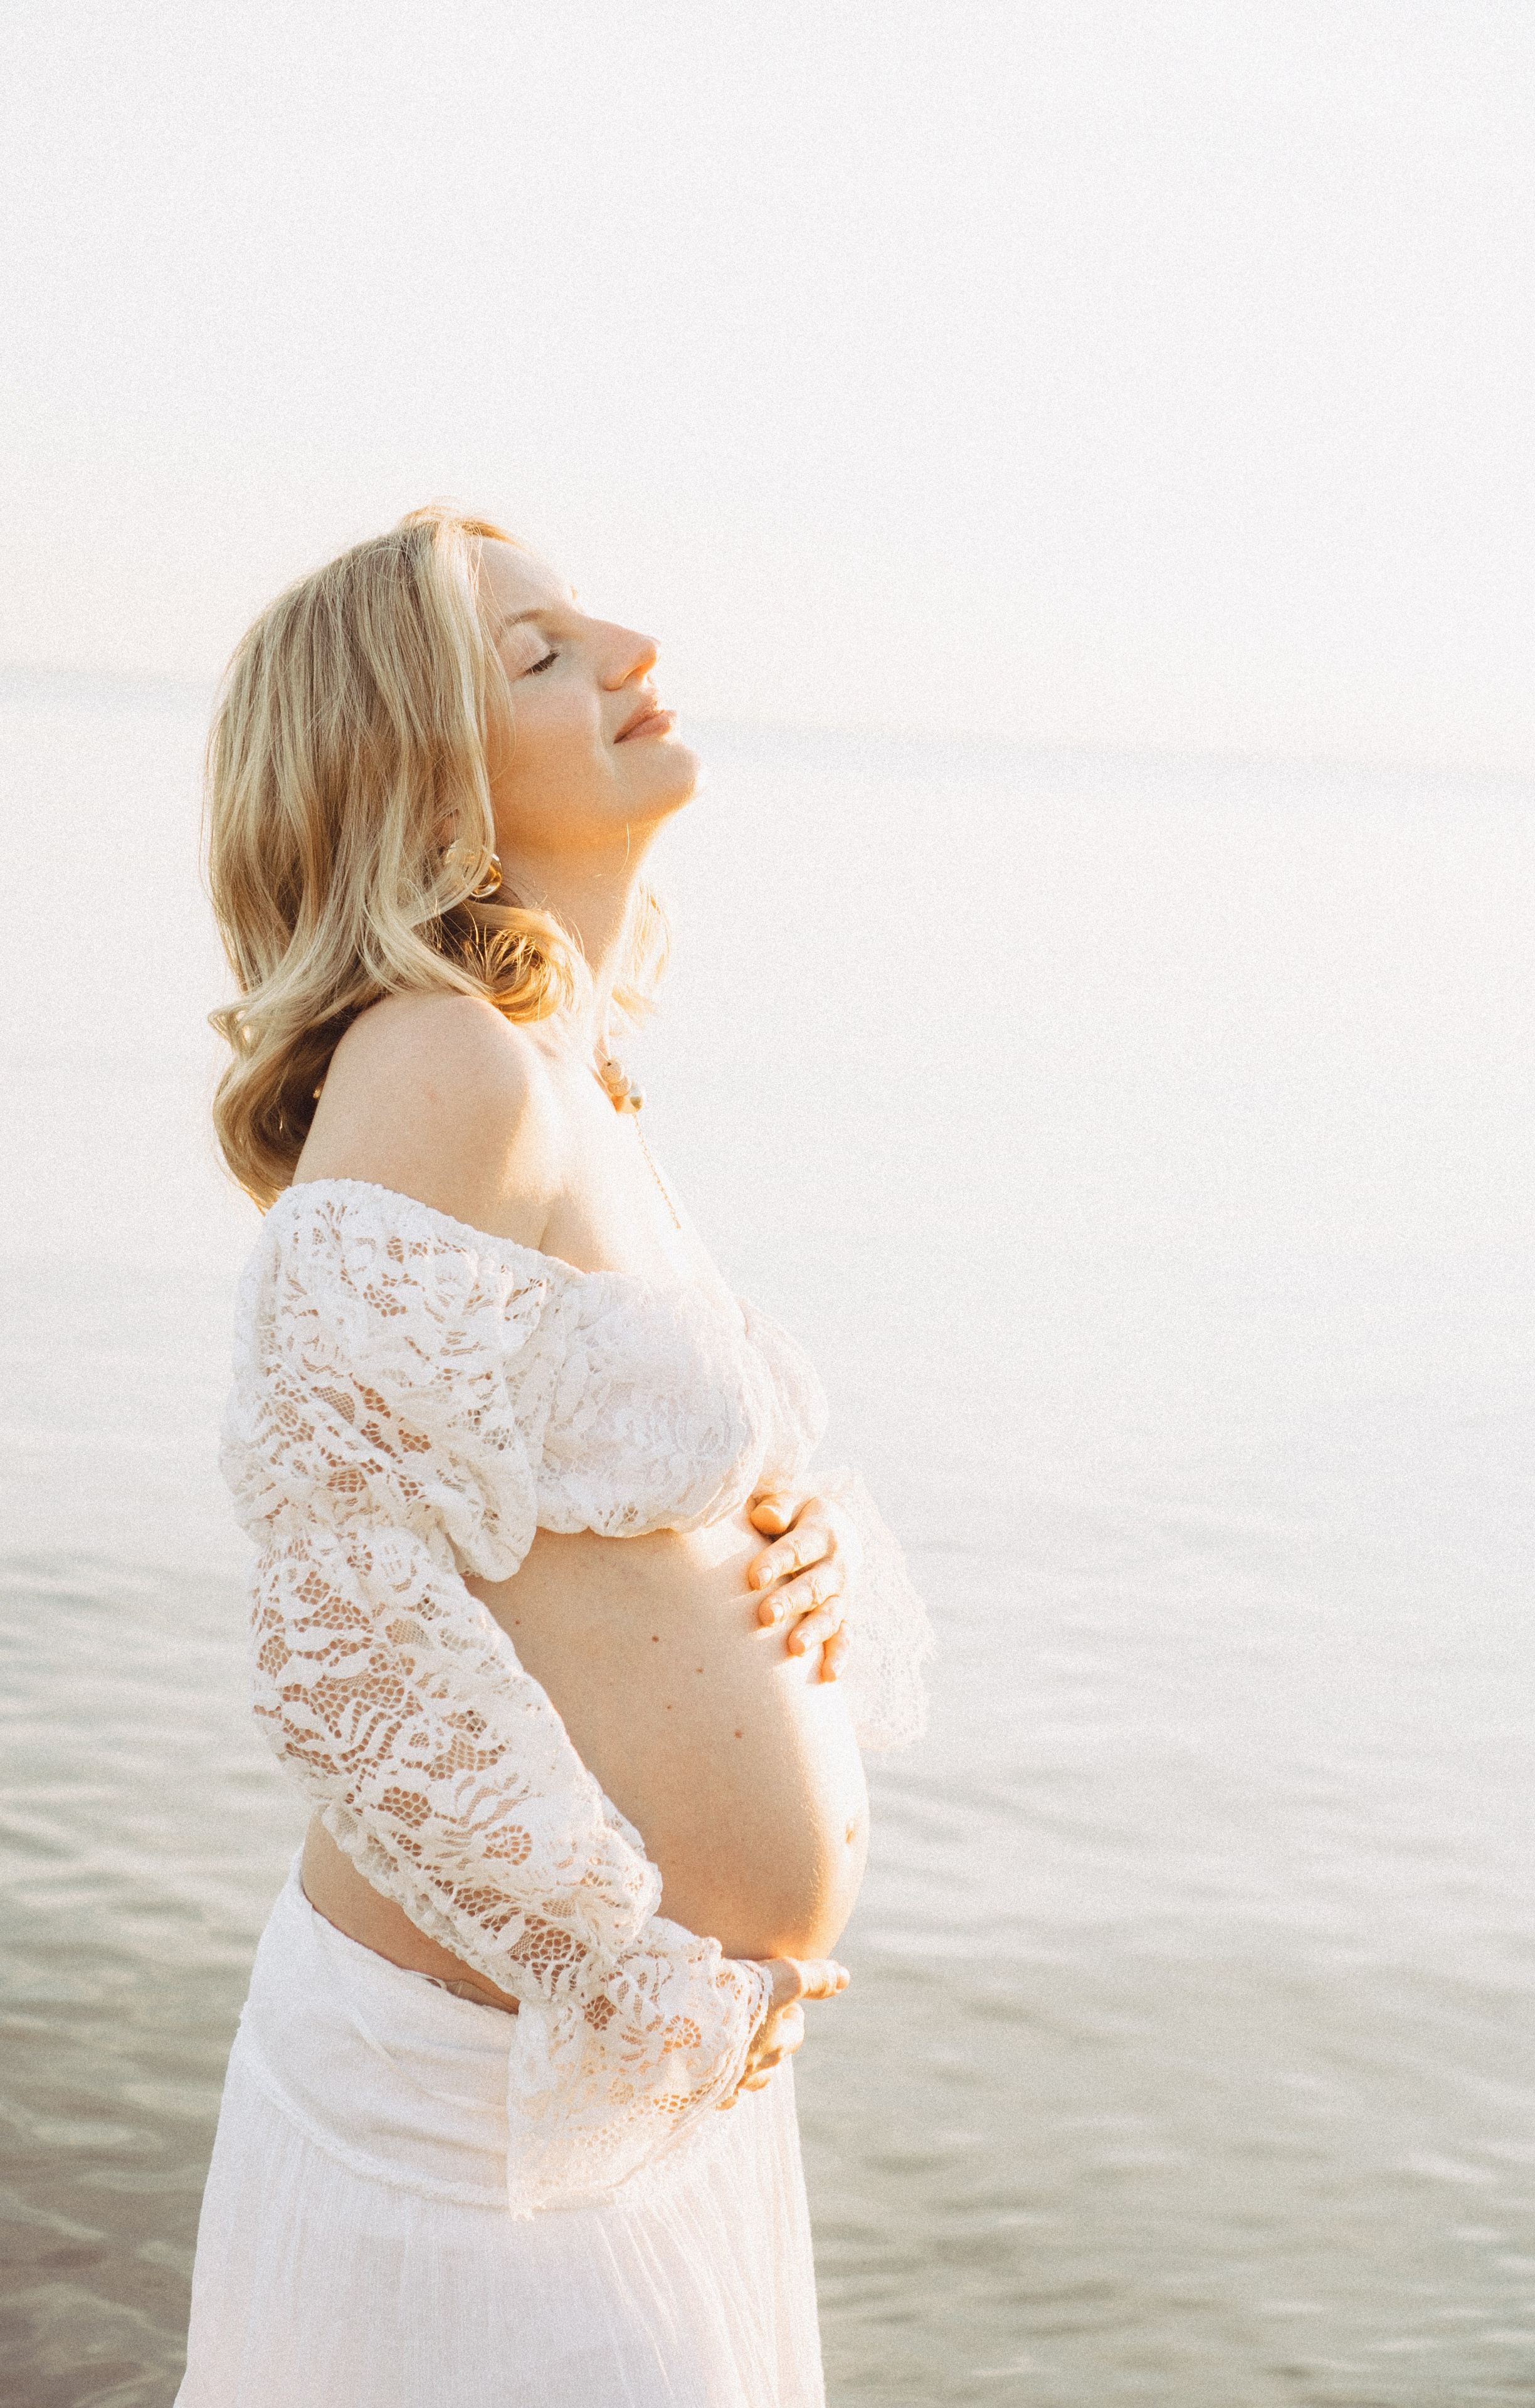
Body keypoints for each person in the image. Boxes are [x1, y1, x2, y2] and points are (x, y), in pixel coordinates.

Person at [177, 505, 931, 2405]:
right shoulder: (449, 1064)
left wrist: (799, 1544)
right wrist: (631, 1984)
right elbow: (340, 1622)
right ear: (421, 784)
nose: (626, 648)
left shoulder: (571, 1076)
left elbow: (563, 1516)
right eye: (536, 653)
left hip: (608, 2092)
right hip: (490, 2119)